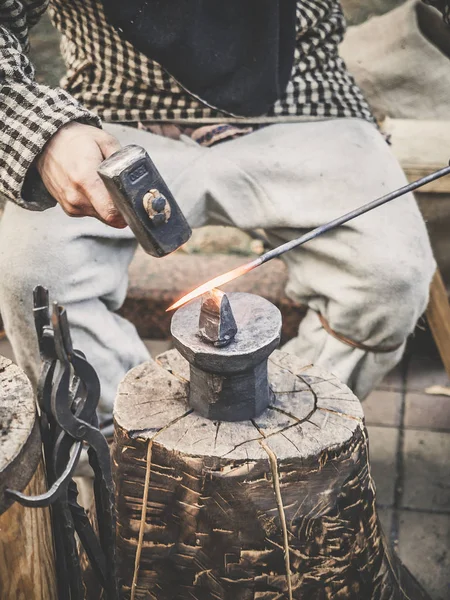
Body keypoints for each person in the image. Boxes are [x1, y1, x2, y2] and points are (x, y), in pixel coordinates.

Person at [0, 0, 443, 421]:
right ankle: (129, 449)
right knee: (34, 274)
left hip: (303, 97)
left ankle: (288, 425)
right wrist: (41, 129)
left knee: (392, 277)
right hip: (113, 100)